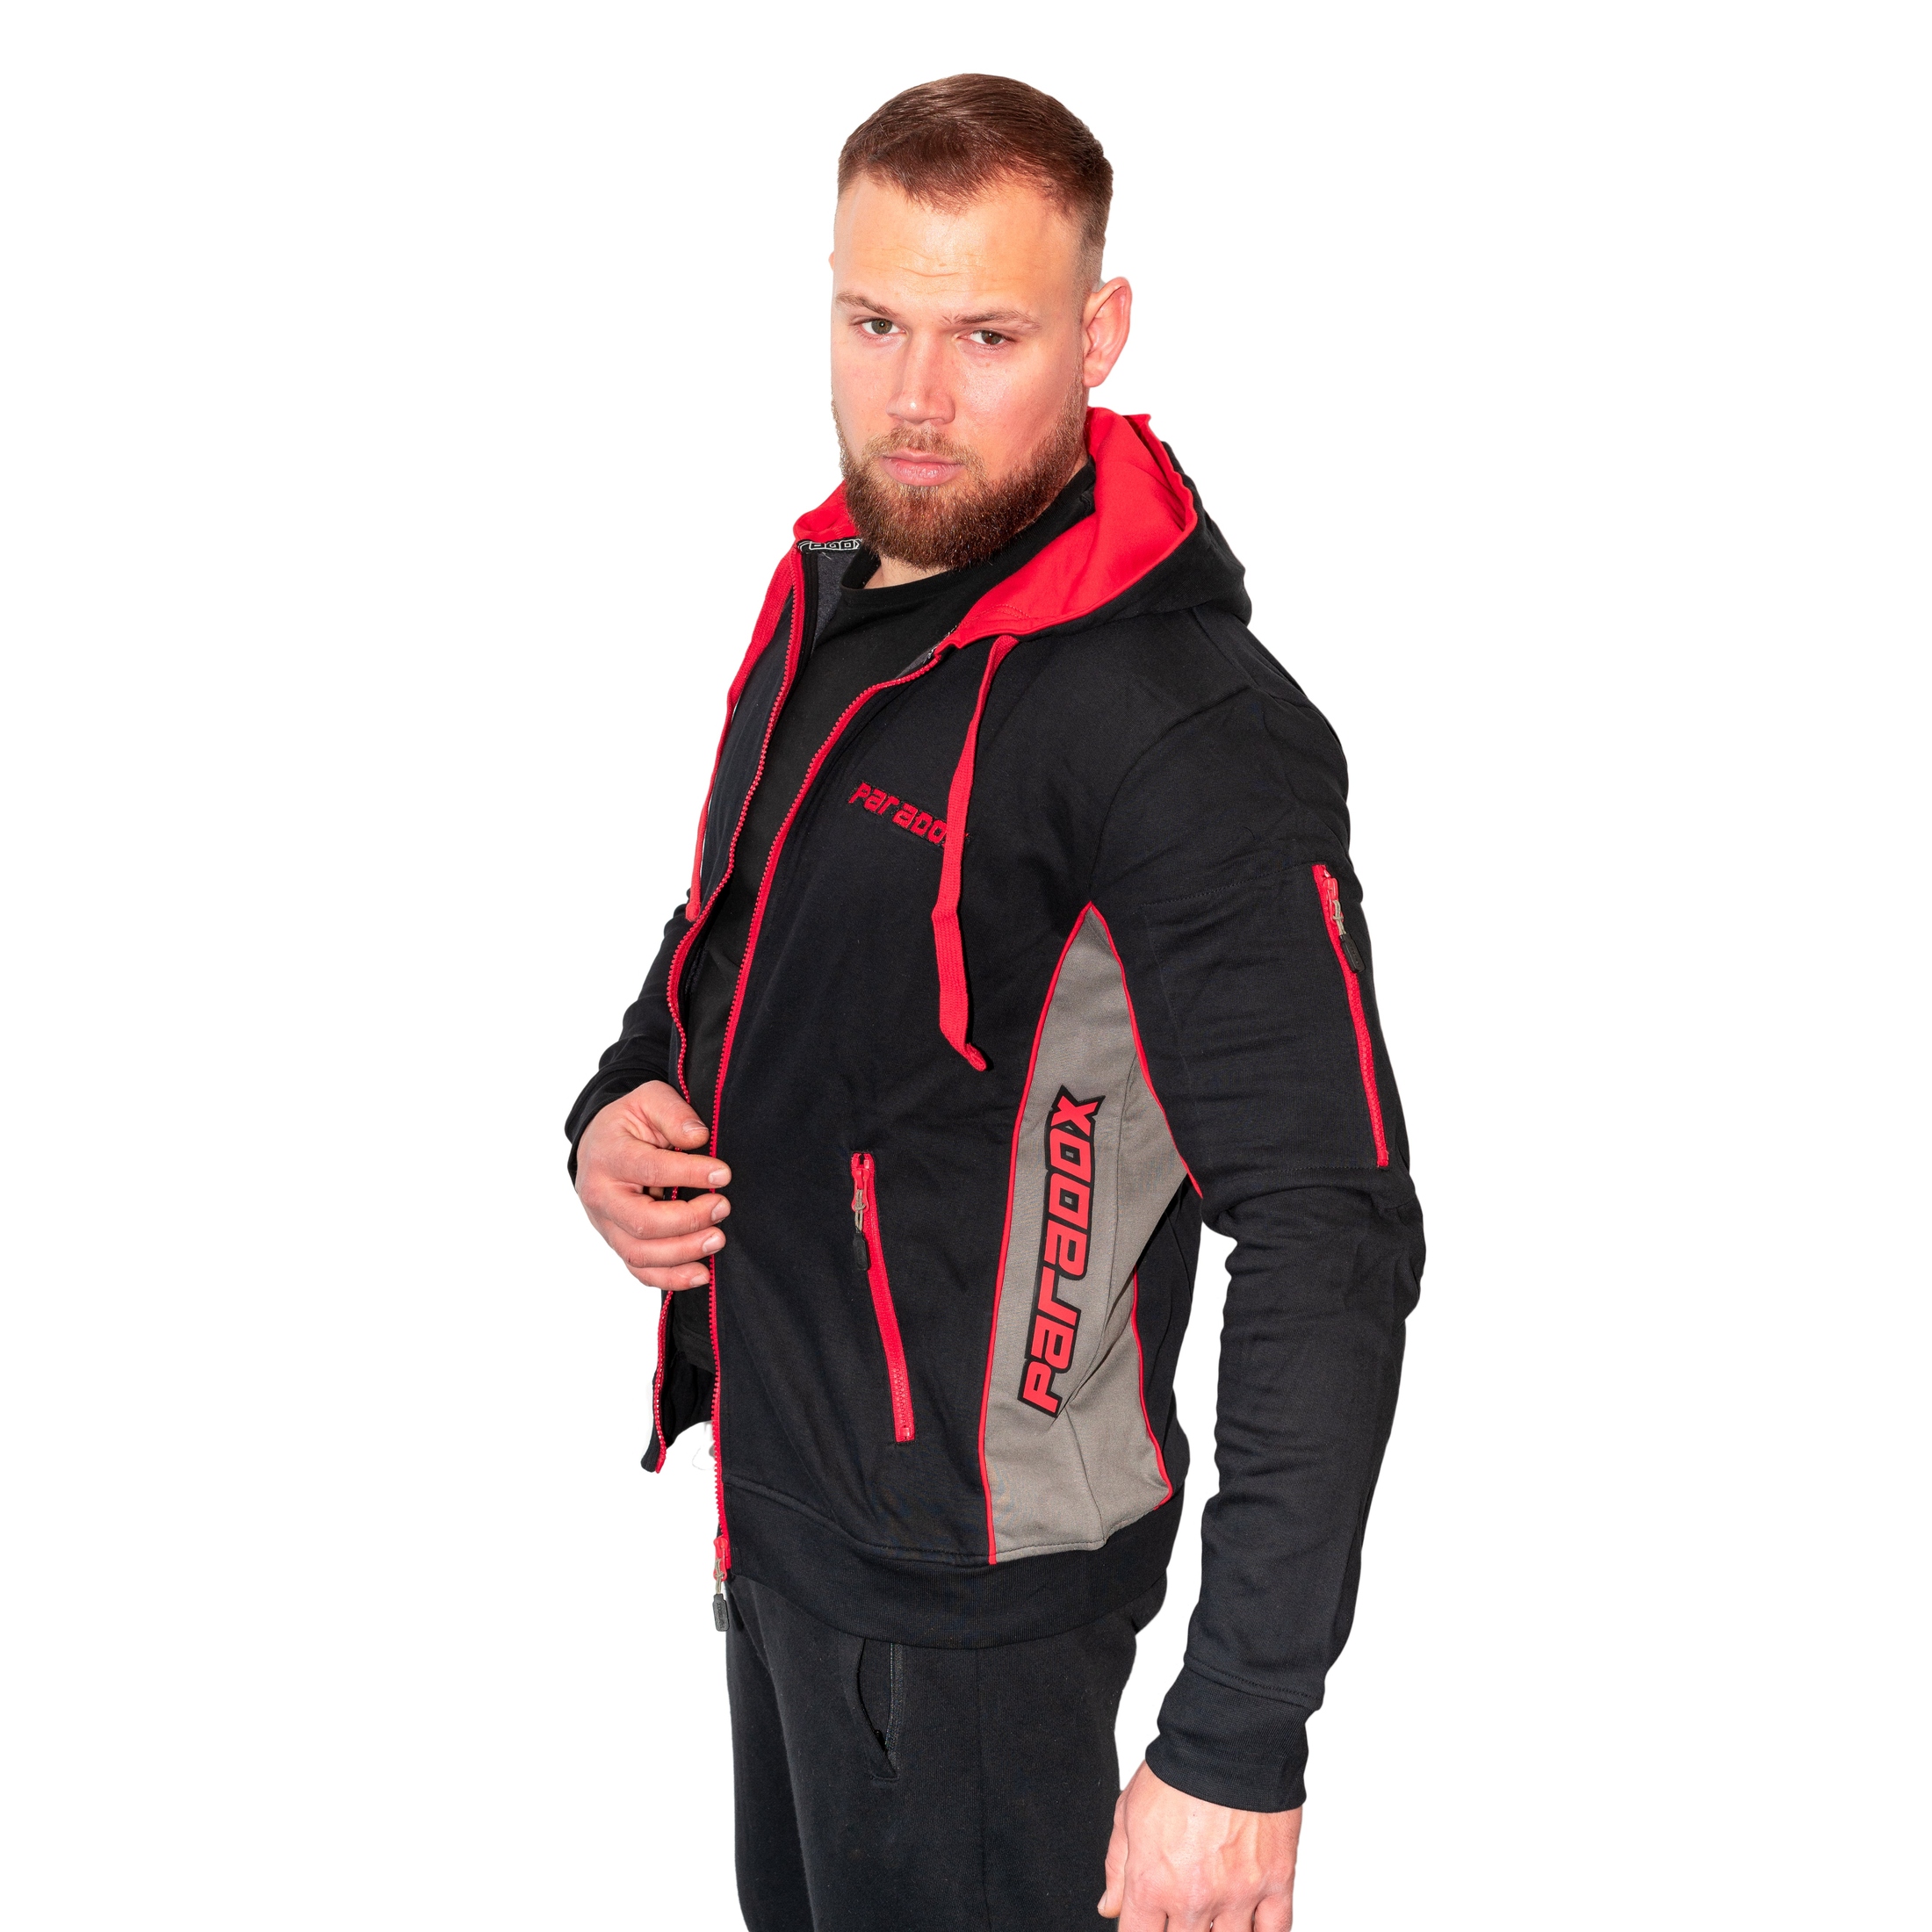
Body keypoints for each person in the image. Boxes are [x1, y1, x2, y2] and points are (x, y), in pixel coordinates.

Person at [566, 73, 1424, 1932]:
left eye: (987, 336)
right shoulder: (842, 583)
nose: (916, 400)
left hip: (974, 1617)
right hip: (785, 1529)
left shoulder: (1185, 730)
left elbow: (1330, 1225)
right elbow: (741, 915)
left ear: (1098, 336)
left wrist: (1236, 1738)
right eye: (874, 322)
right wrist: (619, 1099)